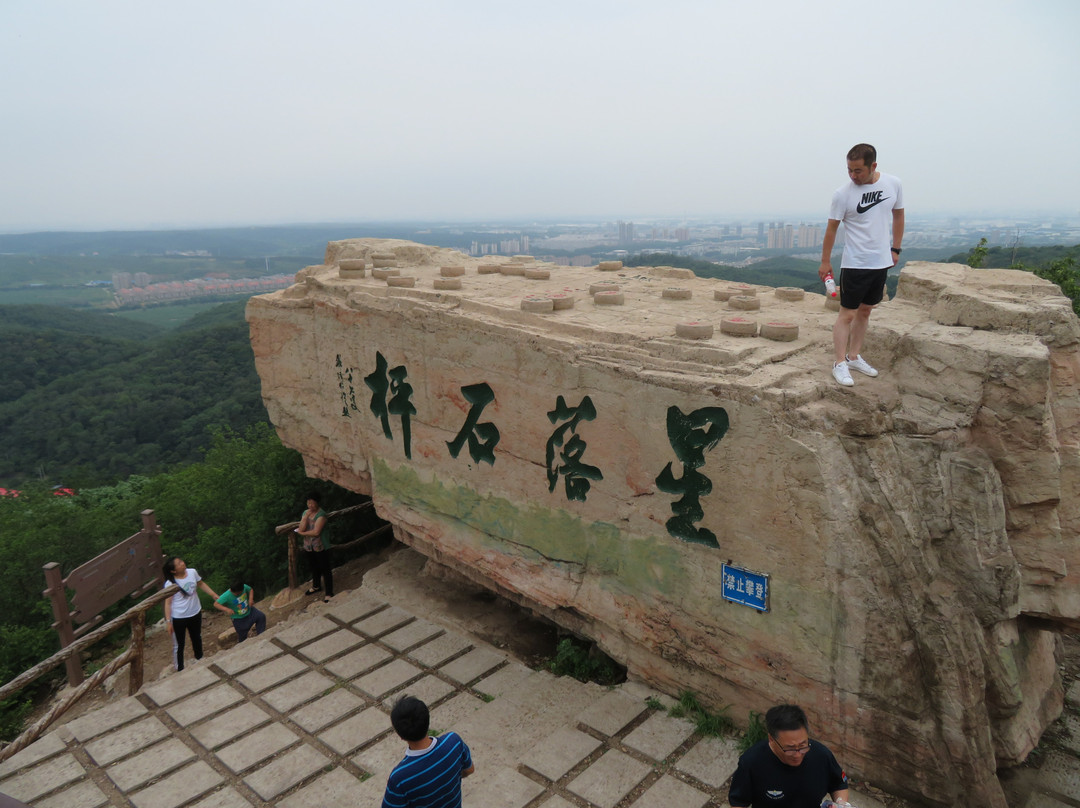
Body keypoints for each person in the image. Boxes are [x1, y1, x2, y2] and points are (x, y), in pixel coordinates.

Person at [819, 142, 905, 387]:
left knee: (866, 311)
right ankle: (839, 363)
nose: (853, 176)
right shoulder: (842, 194)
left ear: (873, 166)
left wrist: (895, 248)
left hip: (880, 262)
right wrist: (825, 261)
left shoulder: (893, 184)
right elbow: (831, 229)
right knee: (847, 314)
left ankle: (854, 356)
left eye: (858, 171)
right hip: (855, 262)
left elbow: (898, 215)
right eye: (849, 170)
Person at [729, 704, 849, 808]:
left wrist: (840, 803)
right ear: (771, 739)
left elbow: (838, 784)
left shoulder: (822, 755)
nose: (797, 754)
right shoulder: (751, 762)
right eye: (790, 749)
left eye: (803, 745)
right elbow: (738, 802)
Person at [382, 695, 474, 808]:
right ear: (428, 721)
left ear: (401, 736)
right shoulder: (454, 742)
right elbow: (469, 769)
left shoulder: (400, 778)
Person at [162, 557, 220, 672]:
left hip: (195, 612)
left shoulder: (192, 572)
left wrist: (213, 594)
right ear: (173, 571)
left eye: (181, 561)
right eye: (179, 563)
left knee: (196, 637)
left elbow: (201, 584)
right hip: (179, 617)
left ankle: (200, 659)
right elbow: (168, 603)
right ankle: (180, 668)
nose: (183, 563)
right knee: (179, 644)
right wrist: (168, 622)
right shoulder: (169, 584)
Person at [295, 491, 334, 602]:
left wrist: (302, 534)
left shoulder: (321, 515)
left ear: (317, 502)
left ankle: (329, 593)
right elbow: (301, 528)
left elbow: (316, 532)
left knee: (325, 569)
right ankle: (316, 586)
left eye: (312, 503)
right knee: (314, 567)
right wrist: (305, 517)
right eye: (308, 503)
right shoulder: (305, 513)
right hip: (309, 546)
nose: (310, 505)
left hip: (321, 545)